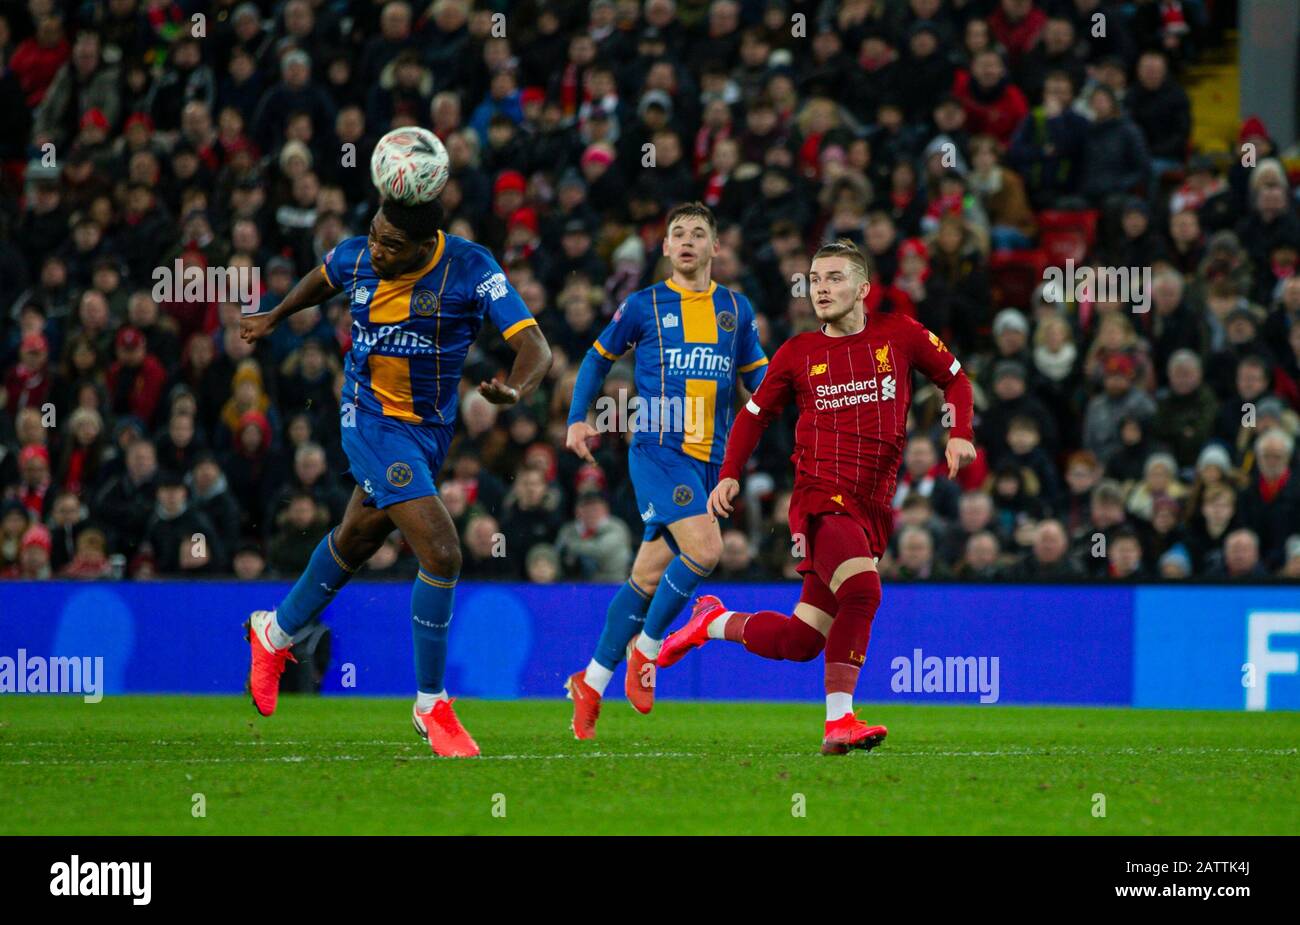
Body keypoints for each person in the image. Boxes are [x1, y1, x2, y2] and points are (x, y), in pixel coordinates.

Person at [238, 196, 552, 758]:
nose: (378, 250)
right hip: (369, 420)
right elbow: (322, 276)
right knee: (442, 551)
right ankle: (431, 704)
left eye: (392, 244)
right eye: (375, 235)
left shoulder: (471, 267)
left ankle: (275, 632)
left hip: (428, 433)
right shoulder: (361, 255)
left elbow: (535, 346)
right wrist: (275, 315)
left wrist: (516, 390)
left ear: (425, 242)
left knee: (357, 537)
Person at [658, 239, 976, 754]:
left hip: (873, 507)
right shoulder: (799, 353)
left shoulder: (900, 334)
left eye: (833, 278)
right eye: (814, 279)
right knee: (864, 593)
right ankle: (839, 721)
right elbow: (754, 415)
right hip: (821, 498)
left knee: (802, 642)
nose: (821, 288)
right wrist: (730, 472)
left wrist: (960, 431)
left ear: (863, 288)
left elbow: (957, 381)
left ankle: (711, 622)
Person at [561, 201, 768, 739]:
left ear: (715, 247)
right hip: (657, 449)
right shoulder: (643, 305)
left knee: (648, 577)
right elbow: (595, 359)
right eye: (678, 233)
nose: (688, 241)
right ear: (666, 247)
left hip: (707, 461)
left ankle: (592, 681)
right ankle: (646, 653)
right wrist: (578, 419)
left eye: (699, 234)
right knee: (707, 550)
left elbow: (759, 376)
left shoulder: (736, 309)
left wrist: (802, 392)